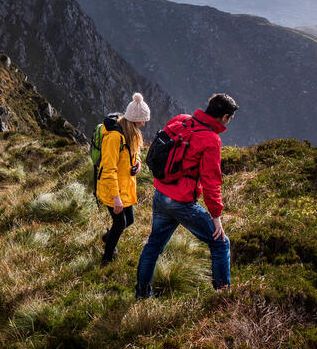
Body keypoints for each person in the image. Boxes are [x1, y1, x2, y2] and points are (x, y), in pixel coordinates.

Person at [135, 93, 238, 296]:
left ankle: (142, 293)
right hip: (181, 201)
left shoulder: (180, 120)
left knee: (153, 245)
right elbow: (211, 183)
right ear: (225, 117)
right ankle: (223, 297)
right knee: (220, 243)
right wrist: (216, 217)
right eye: (230, 119)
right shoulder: (211, 140)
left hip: (161, 193)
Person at [96, 92, 151, 265]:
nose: (143, 124)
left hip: (124, 187)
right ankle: (107, 258)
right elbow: (108, 169)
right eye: (142, 121)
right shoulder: (114, 138)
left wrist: (138, 163)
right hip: (113, 190)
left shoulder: (129, 134)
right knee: (120, 224)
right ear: (134, 120)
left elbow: (131, 155)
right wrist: (116, 197)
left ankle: (108, 236)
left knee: (130, 220)